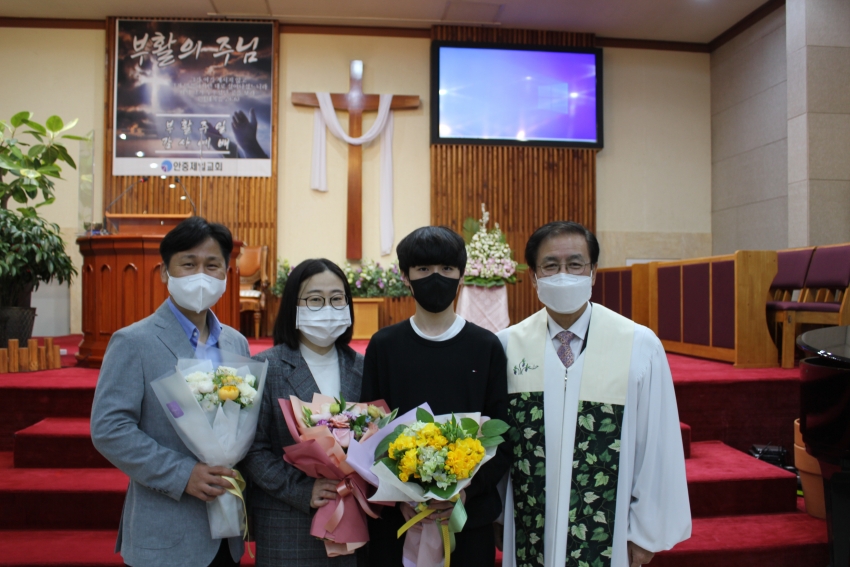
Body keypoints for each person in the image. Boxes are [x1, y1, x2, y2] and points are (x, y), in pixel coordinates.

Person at [496, 221, 691, 567]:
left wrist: (645, 533)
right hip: (529, 528)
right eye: (551, 265)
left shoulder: (638, 346)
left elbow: (657, 444)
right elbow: (499, 447)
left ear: (593, 272)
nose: (563, 275)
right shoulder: (509, 346)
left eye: (575, 264)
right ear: (534, 276)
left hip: (607, 536)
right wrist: (498, 517)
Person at [91, 216, 250, 567]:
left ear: (226, 273)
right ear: (165, 272)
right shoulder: (134, 342)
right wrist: (182, 474)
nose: (201, 275)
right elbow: (109, 429)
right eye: (188, 264)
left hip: (227, 534)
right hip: (166, 533)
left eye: (212, 265)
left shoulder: (235, 342)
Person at [360, 226, 511, 566]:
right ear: (406, 277)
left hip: (468, 519)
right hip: (398, 519)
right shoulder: (384, 346)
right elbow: (371, 431)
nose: (436, 277)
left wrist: (463, 492)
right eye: (423, 269)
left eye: (446, 268)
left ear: (462, 276)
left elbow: (502, 434)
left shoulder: (486, 346)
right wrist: (403, 494)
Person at [240, 258, 363, 566]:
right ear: (293, 306)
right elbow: (252, 450)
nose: (328, 308)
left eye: (337, 299)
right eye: (315, 300)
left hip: (352, 519)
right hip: (287, 520)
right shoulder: (267, 367)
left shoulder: (362, 367)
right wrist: (302, 489)